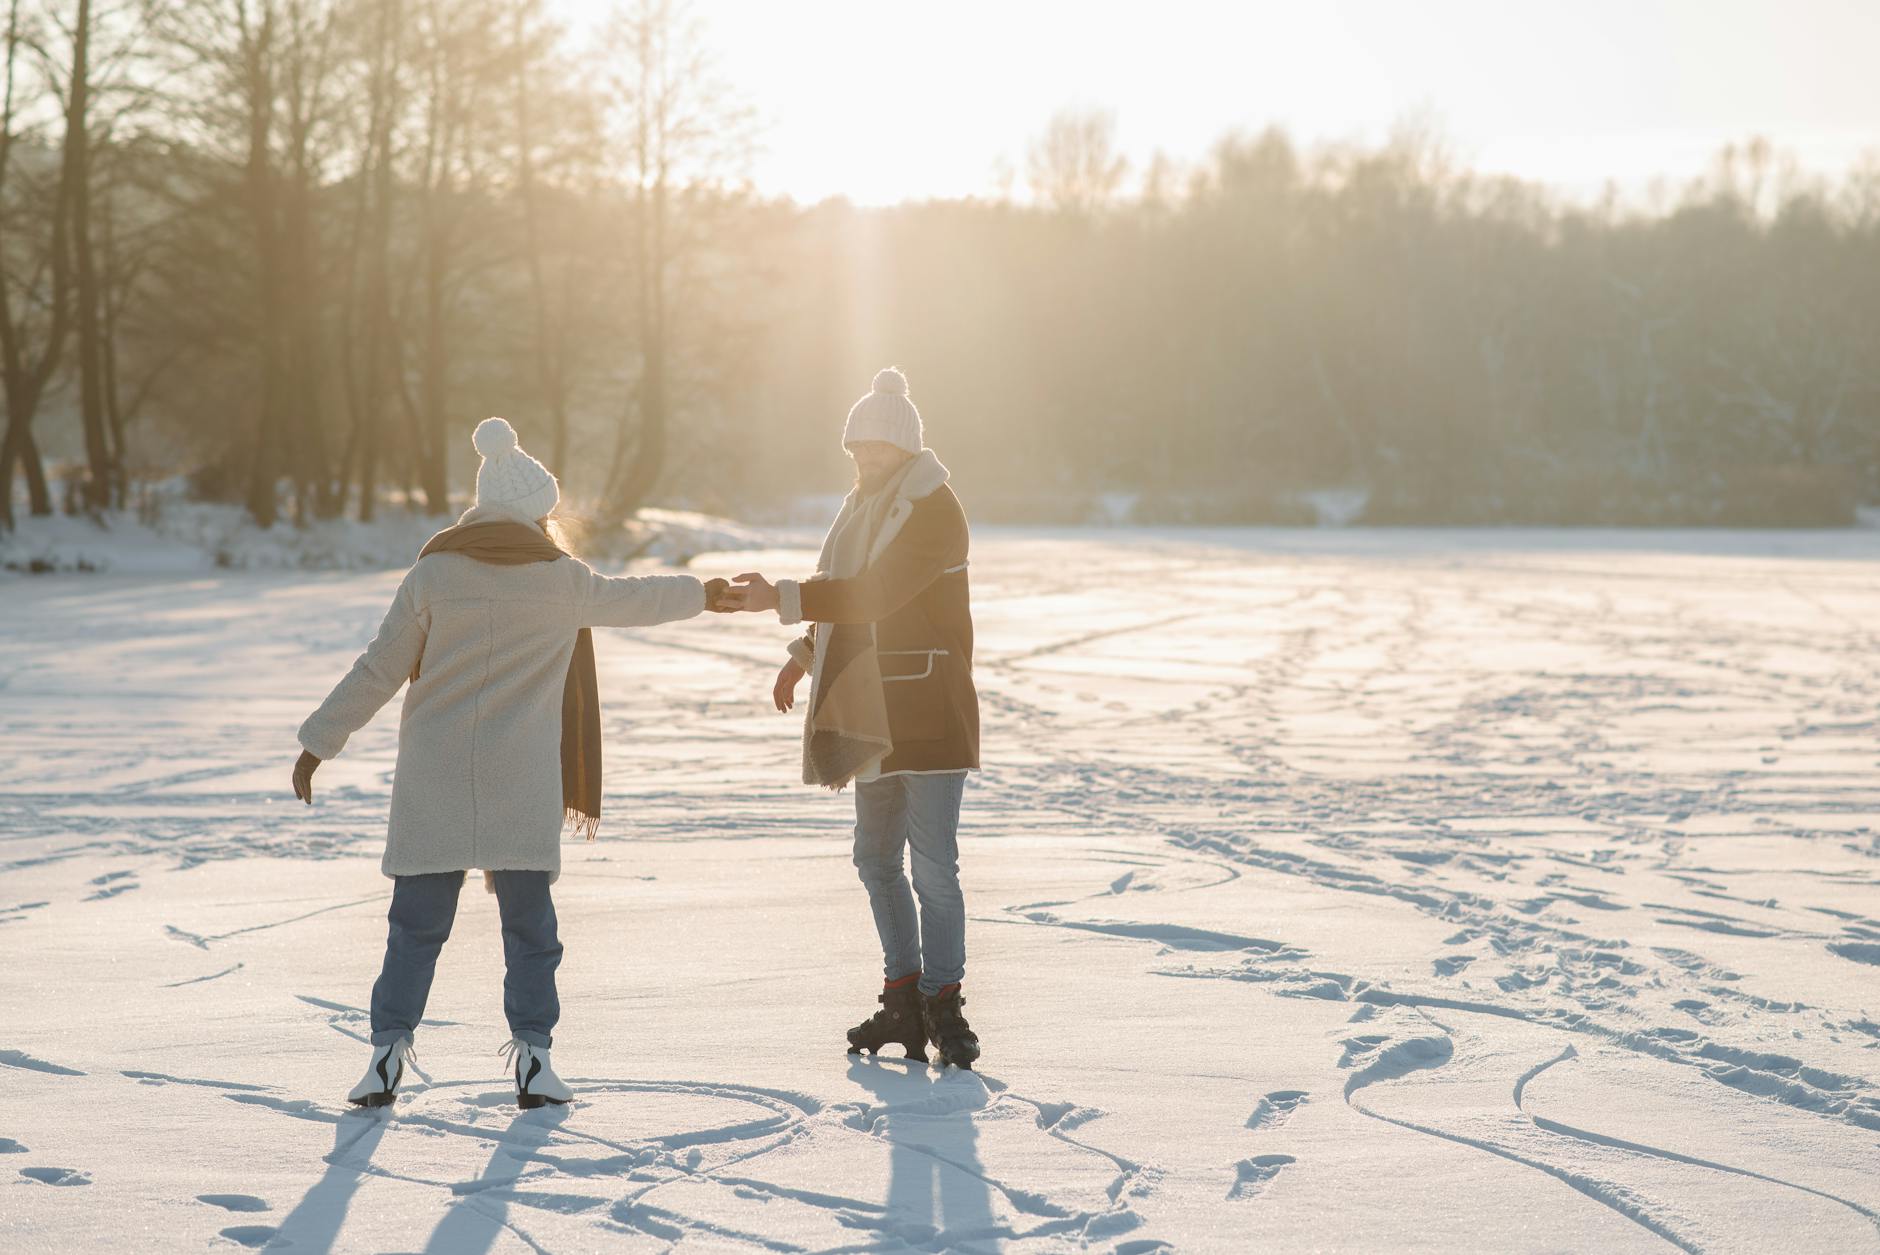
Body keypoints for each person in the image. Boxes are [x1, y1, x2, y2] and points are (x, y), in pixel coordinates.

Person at [291, 417, 740, 1109]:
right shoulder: (561, 580)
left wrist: (319, 740)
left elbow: (379, 668)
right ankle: (534, 1059)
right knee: (530, 930)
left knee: (415, 927)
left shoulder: (434, 573)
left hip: (435, 779)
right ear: (533, 512)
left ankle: (385, 1056)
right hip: (520, 782)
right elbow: (636, 597)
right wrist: (704, 592)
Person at [736, 367, 983, 1069]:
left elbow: (871, 594)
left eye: (876, 448)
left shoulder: (933, 509)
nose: (865, 459)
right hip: (872, 707)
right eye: (856, 449)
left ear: (904, 447)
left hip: (930, 710)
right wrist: (803, 654)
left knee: (934, 865)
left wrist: (776, 597)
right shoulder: (860, 507)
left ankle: (945, 1002)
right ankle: (902, 996)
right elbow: (843, 596)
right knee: (875, 858)